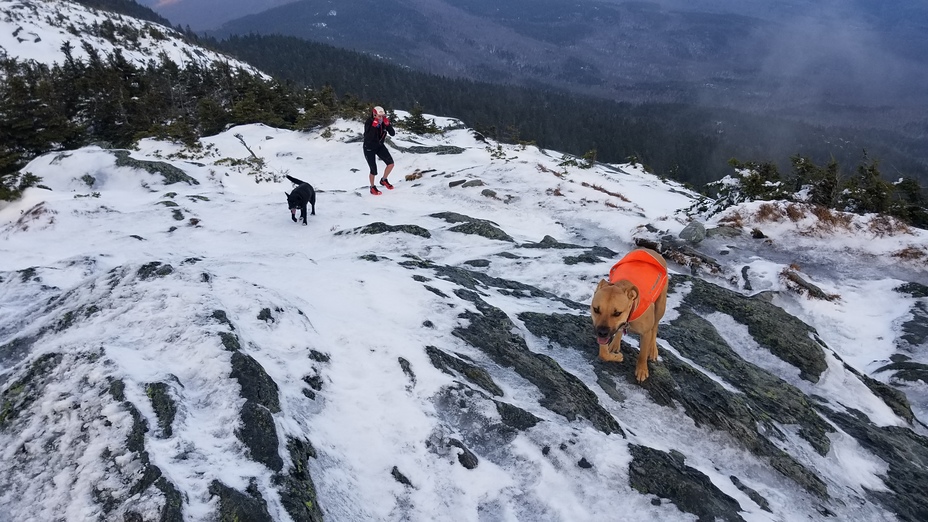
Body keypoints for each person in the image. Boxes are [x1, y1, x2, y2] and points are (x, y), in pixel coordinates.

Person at [363, 106, 396, 195]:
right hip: (369, 148)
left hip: (379, 146)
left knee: (391, 164)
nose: (381, 118)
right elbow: (369, 138)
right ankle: (372, 187)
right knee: (373, 170)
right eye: (379, 116)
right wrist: (374, 126)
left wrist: (388, 125)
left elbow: (392, 134)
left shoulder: (384, 122)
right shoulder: (369, 122)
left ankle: (384, 180)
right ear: (374, 115)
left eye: (383, 116)